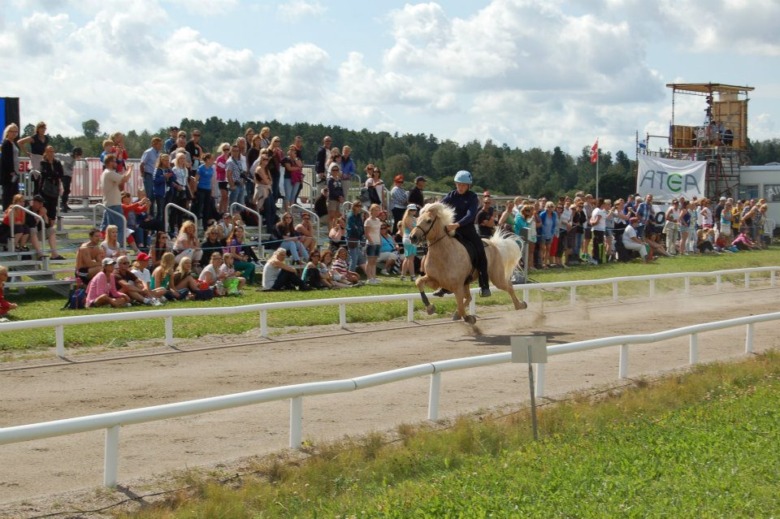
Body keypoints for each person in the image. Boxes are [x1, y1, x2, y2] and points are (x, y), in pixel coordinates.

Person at [437, 170, 491, 297]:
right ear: (455, 184)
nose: (460, 187)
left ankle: (484, 286)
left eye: (463, 185)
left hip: (467, 230)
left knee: (480, 252)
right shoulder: (451, 195)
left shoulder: (472, 197)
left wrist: (457, 224)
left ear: (468, 186)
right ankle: (443, 284)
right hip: (451, 230)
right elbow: (439, 206)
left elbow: (470, 215)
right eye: (458, 184)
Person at [100, 154, 133, 247]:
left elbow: (120, 179)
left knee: (111, 229)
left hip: (109, 204)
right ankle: (119, 249)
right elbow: (125, 179)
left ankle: (111, 248)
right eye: (114, 161)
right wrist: (130, 169)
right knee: (120, 228)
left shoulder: (106, 173)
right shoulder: (109, 173)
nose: (116, 163)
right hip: (114, 205)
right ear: (110, 163)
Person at [38, 146, 63, 240]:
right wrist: (53, 175)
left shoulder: (57, 162)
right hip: (46, 189)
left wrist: (53, 175)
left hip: (55, 188)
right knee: (46, 208)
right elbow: (44, 173)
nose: (51, 153)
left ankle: (51, 229)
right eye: (49, 151)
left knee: (53, 209)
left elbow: (60, 173)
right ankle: (46, 228)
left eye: (52, 151)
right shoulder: (43, 162)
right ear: (46, 152)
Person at [55, 147, 83, 213]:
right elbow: (59, 155)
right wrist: (53, 155)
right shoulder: (68, 157)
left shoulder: (74, 158)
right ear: (75, 153)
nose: (78, 156)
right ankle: (63, 204)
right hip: (65, 175)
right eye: (78, 155)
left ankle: (64, 204)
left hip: (68, 175)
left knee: (67, 190)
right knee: (66, 190)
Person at [1, 123, 23, 209]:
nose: (14, 133)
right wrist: (12, 172)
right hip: (9, 174)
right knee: (8, 194)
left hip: (15, 172)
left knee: (14, 194)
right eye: (12, 131)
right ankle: (7, 211)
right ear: (8, 132)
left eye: (16, 132)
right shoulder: (6, 143)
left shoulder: (13, 143)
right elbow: (6, 160)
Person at [139, 137, 162, 217]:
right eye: (159, 144)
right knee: (149, 195)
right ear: (154, 144)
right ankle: (148, 214)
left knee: (155, 195)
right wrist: (143, 174)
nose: (160, 146)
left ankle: (152, 214)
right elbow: (142, 163)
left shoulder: (159, 153)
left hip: (156, 176)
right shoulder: (148, 152)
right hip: (148, 175)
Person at [346, 200, 367, 276]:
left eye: (360, 206)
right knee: (354, 259)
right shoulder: (350, 216)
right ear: (354, 207)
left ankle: (369, 275)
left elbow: (361, 227)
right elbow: (353, 228)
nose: (359, 208)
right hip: (351, 239)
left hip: (358, 239)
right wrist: (359, 230)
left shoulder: (359, 216)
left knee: (361, 259)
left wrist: (362, 235)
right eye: (358, 206)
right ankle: (350, 276)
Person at [364, 203, 383, 284]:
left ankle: (374, 277)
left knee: (374, 261)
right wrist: (371, 242)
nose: (377, 212)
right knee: (370, 260)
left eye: (378, 210)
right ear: (371, 211)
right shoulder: (368, 221)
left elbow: (378, 232)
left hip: (377, 242)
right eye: (375, 210)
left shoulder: (378, 220)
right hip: (371, 243)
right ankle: (369, 277)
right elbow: (367, 233)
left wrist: (380, 241)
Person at [399, 204, 418, 282]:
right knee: (410, 258)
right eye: (411, 210)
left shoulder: (413, 218)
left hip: (410, 238)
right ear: (408, 210)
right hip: (409, 238)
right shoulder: (407, 218)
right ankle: (412, 276)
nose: (413, 211)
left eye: (414, 210)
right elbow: (412, 229)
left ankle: (403, 275)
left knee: (407, 258)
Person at [281, 145, 303, 211]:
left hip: (297, 179)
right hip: (288, 178)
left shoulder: (297, 159)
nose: (292, 151)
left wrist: (295, 159)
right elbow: (289, 168)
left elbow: (301, 165)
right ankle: (287, 211)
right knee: (288, 195)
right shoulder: (286, 159)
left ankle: (291, 211)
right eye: (291, 149)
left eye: (294, 150)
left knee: (293, 196)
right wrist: (297, 168)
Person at [327, 163, 344, 229]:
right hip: (332, 200)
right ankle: (330, 231)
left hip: (338, 200)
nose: (335, 171)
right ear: (331, 171)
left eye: (336, 170)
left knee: (337, 216)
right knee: (331, 216)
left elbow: (341, 189)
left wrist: (342, 196)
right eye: (333, 170)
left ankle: (335, 229)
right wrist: (338, 197)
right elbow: (332, 190)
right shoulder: (330, 180)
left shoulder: (339, 180)